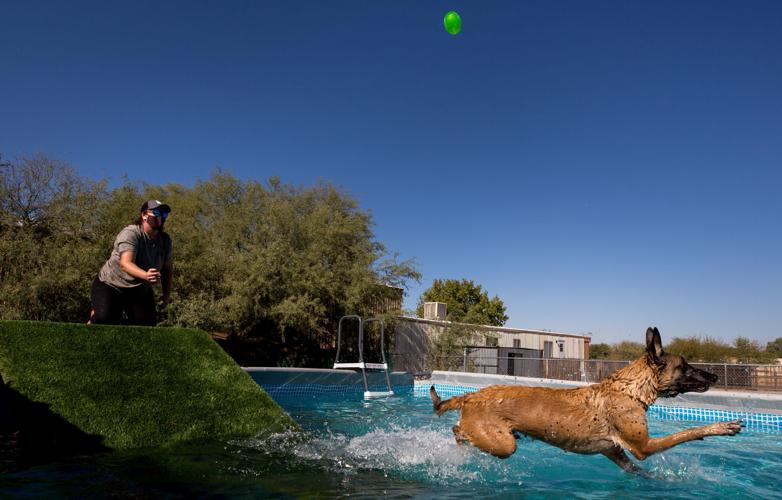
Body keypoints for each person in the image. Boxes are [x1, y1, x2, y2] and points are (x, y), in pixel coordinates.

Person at [90, 200, 173, 325]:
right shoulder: (131, 233)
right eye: (156, 212)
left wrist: (166, 294)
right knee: (105, 321)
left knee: (146, 327)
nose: (160, 217)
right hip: (111, 284)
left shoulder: (165, 240)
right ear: (144, 215)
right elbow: (125, 263)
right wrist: (146, 275)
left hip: (139, 288)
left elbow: (167, 268)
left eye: (163, 214)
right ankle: (96, 316)